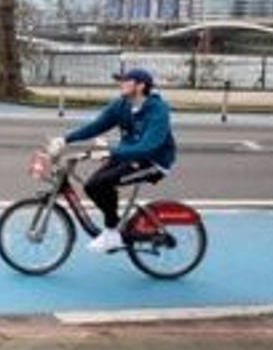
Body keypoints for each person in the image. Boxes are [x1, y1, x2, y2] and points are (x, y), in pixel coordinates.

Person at [48, 68, 177, 253]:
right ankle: (114, 231)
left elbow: (149, 145)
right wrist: (65, 139)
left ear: (140, 86)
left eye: (126, 81)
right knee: (92, 185)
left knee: (103, 183)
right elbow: (96, 126)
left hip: (153, 162)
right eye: (120, 80)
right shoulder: (121, 105)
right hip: (128, 156)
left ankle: (112, 234)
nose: (121, 84)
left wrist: (111, 153)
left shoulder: (158, 110)